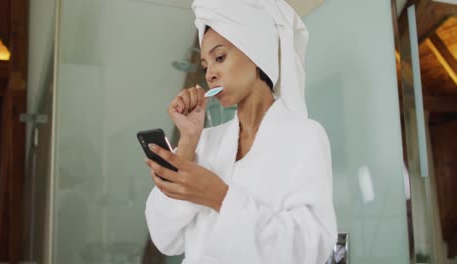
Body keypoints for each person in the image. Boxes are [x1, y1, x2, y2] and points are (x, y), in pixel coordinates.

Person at [144, 0, 337, 263]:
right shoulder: (205, 143)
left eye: (219, 57)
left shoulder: (304, 138)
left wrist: (219, 197)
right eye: (205, 65)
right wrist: (188, 142)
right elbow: (165, 238)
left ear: (255, 52)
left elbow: (310, 250)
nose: (210, 73)